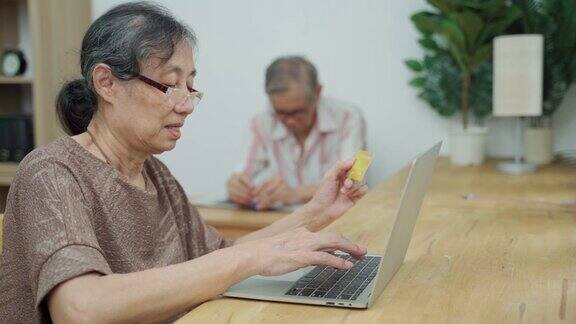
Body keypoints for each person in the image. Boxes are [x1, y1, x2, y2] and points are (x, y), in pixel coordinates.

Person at [0, 2, 368, 323]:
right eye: (170, 85)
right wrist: (249, 260)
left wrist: (317, 211)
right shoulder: (51, 172)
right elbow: (80, 309)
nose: (187, 104)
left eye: (190, 85)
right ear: (106, 83)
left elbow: (220, 256)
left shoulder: (153, 172)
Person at [227, 56, 367, 210]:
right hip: (278, 224)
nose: (290, 121)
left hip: (335, 221)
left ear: (318, 92)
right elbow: (243, 174)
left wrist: (295, 194)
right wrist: (237, 187)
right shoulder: (261, 122)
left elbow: (353, 183)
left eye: (298, 112)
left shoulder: (350, 118)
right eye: (280, 113)